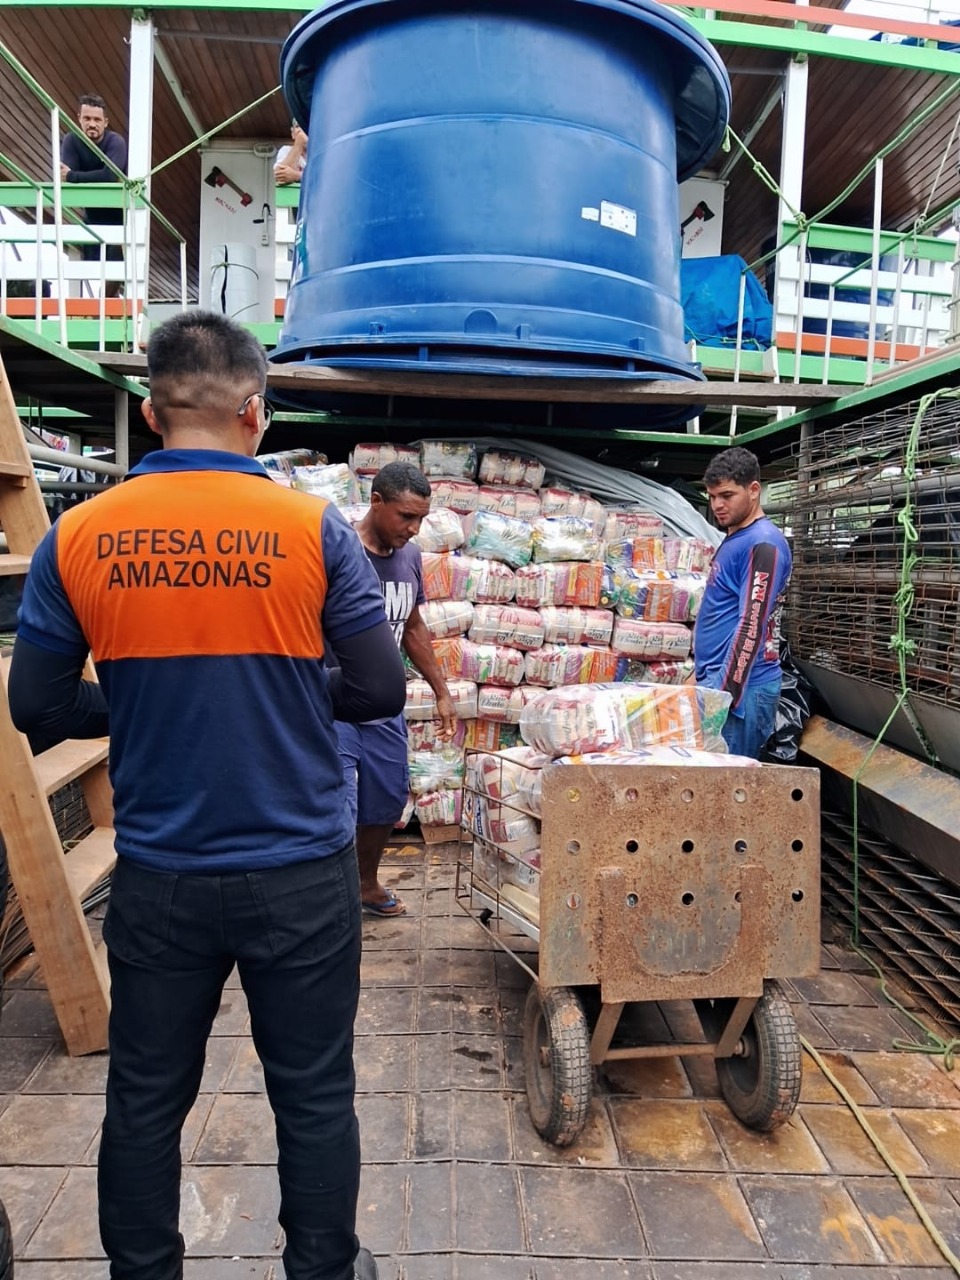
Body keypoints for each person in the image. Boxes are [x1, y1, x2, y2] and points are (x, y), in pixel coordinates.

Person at [8, 310, 406, 1280]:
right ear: (254, 412)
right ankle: (323, 1268)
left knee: (145, 1096)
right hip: (301, 872)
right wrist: (287, 689)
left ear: (152, 412)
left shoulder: (78, 536)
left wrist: (144, 699)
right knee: (314, 1093)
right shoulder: (312, 529)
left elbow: (37, 706)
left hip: (161, 875)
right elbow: (377, 688)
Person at [336, 462, 457, 917]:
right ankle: (330, 897)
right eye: (406, 516)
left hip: (385, 705)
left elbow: (413, 625)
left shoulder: (410, 557)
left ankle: (365, 884)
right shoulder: (340, 549)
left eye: (421, 518)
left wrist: (441, 691)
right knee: (339, 803)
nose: (413, 528)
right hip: (334, 701)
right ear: (376, 502)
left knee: (386, 801)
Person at [693, 446, 792, 759]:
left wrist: (723, 697)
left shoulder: (763, 544)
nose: (717, 505)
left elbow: (751, 624)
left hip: (741, 692)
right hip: (717, 682)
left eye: (726, 495)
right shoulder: (738, 536)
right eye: (712, 497)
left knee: (728, 780)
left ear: (754, 490)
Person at [60, 94, 128, 298]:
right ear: (79, 118)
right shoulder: (72, 140)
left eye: (97, 119)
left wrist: (74, 176)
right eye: (87, 118)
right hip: (91, 218)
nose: (92, 124)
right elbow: (65, 178)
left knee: (116, 272)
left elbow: (109, 176)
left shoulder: (116, 142)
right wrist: (74, 177)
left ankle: (107, 302)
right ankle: (100, 305)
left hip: (119, 219)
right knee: (92, 269)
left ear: (105, 122)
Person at [275, 120, 307, 185]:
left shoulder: (323, 153)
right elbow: (280, 177)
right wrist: (299, 143)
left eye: (306, 126)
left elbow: (324, 178)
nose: (302, 130)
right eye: (298, 126)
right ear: (292, 133)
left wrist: (297, 176)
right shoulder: (285, 150)